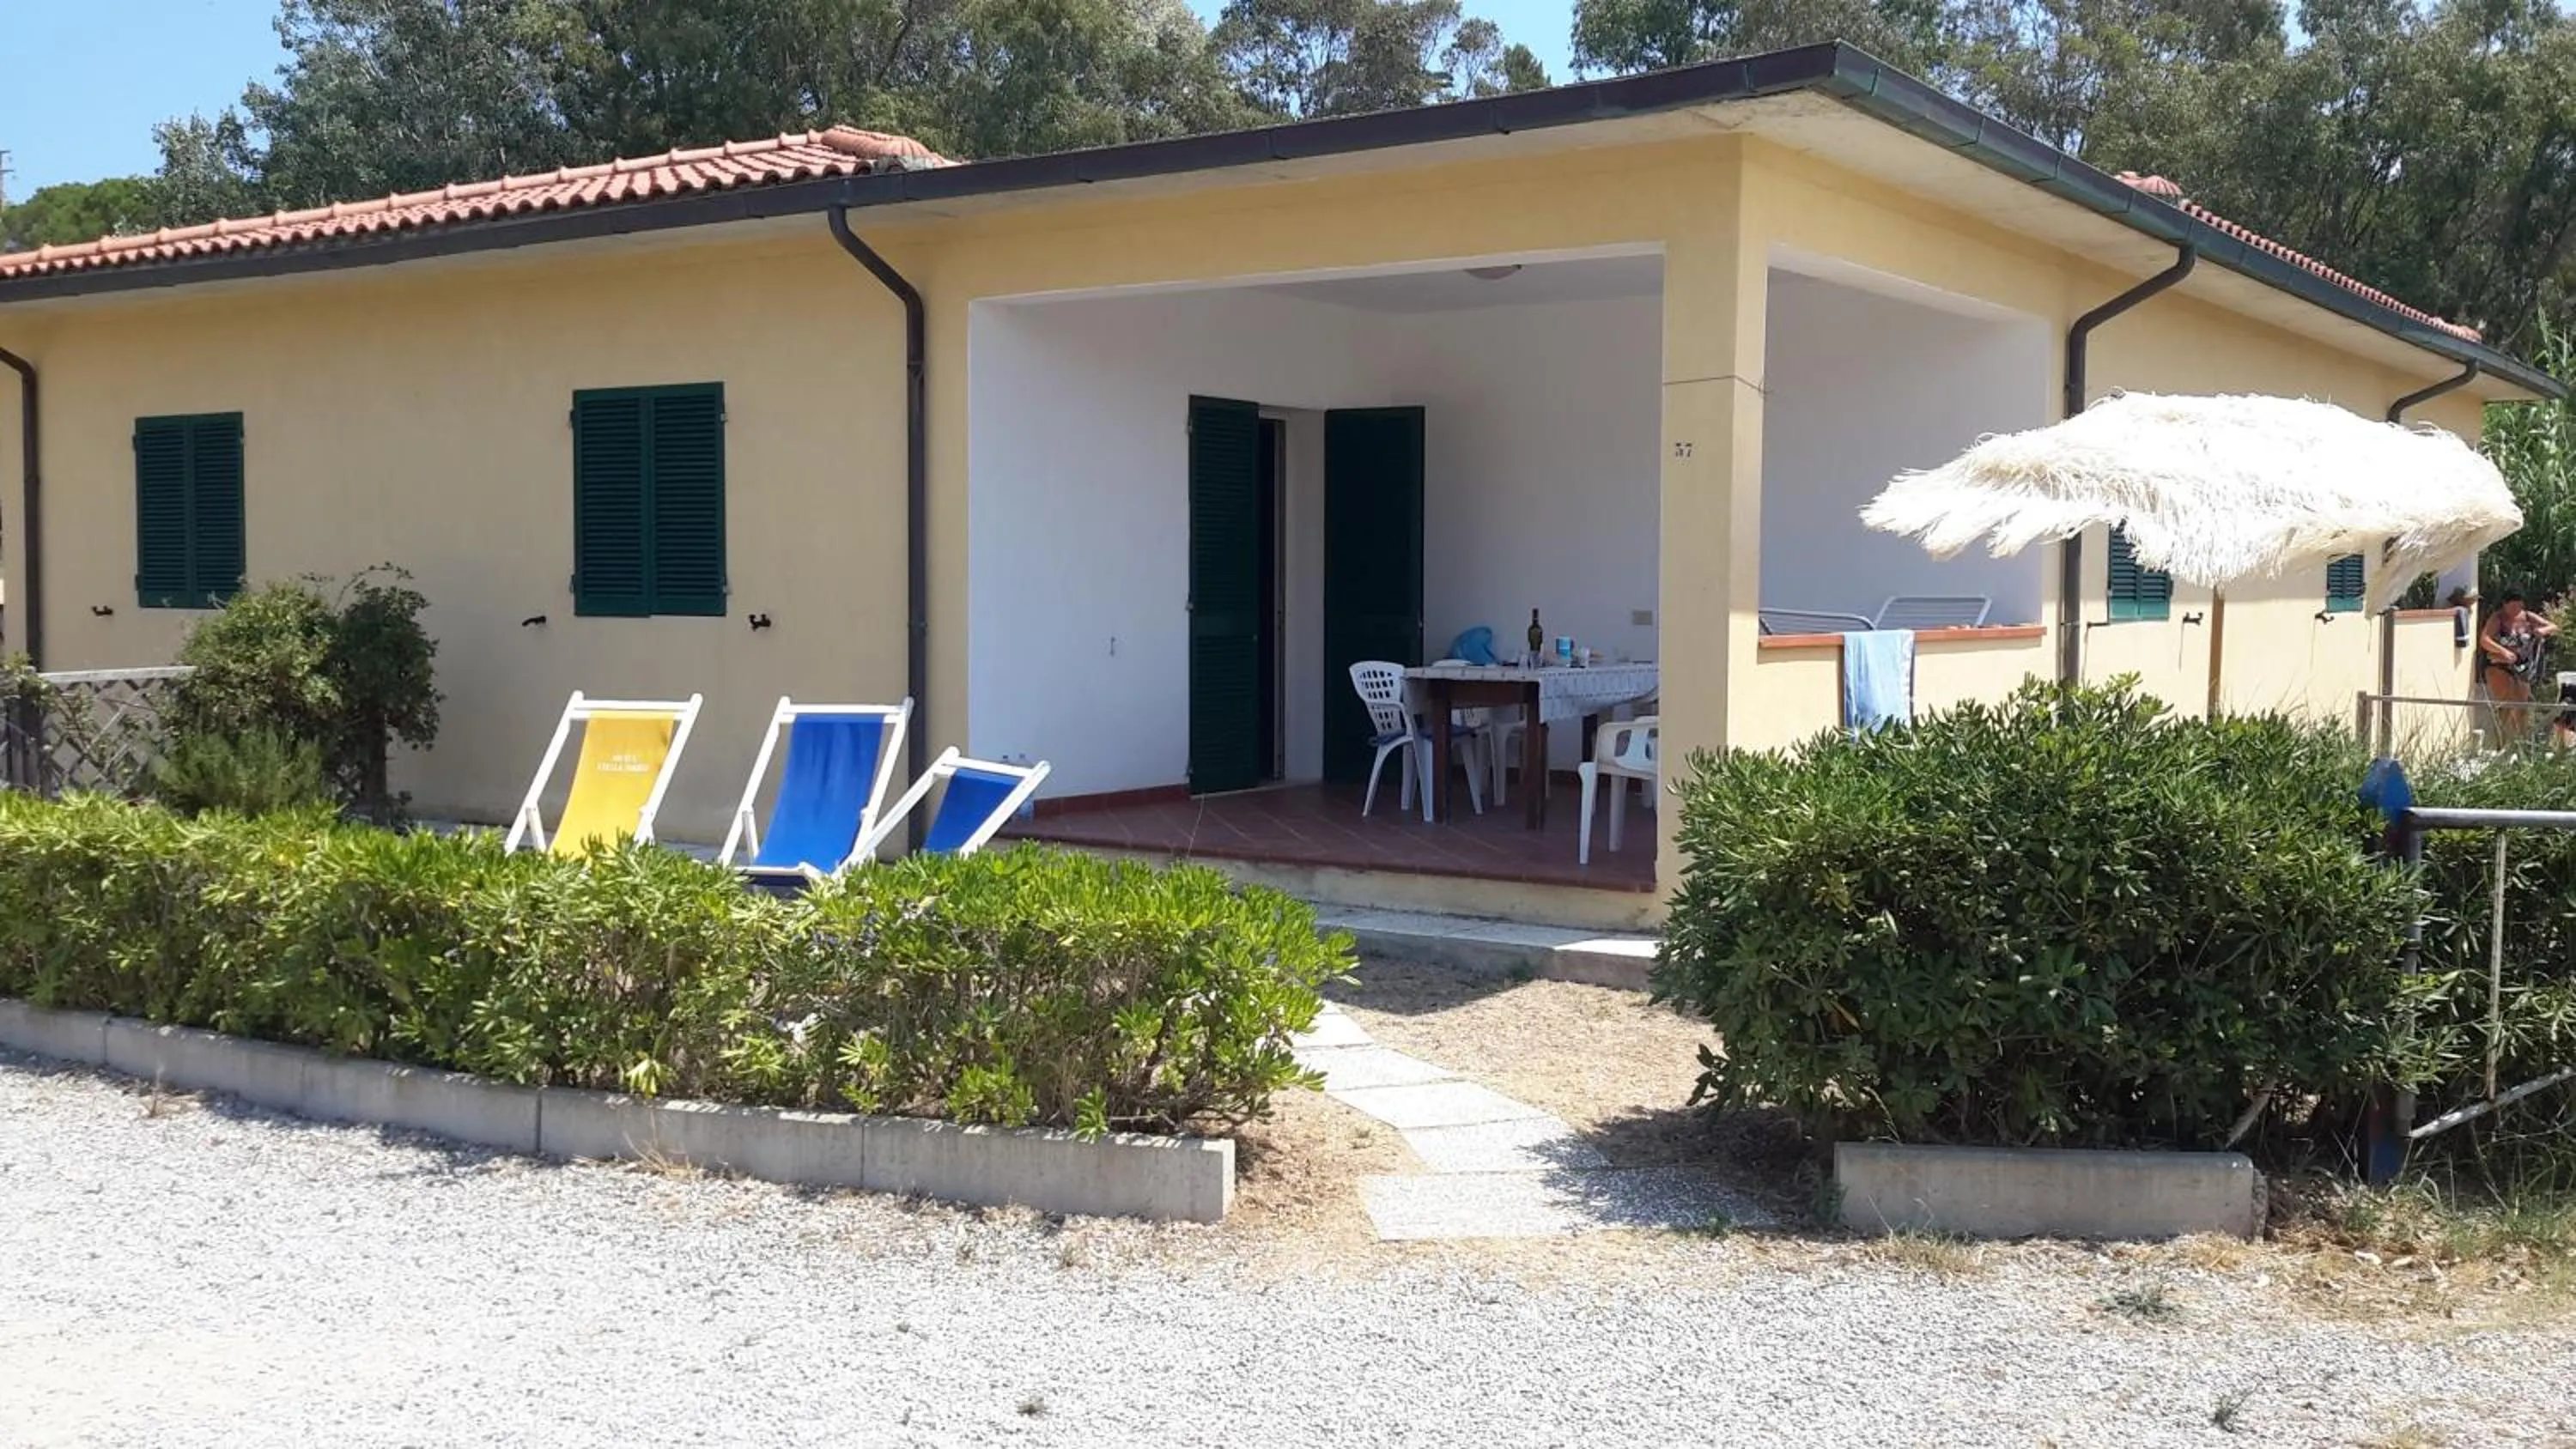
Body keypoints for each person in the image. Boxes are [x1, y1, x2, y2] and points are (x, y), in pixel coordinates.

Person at [2478, 591, 2557, 743]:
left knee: (2522, 706)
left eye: (2518, 606)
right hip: (2498, 664)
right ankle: (2501, 742)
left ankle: (2522, 743)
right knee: (2506, 703)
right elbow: (2485, 639)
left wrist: (2544, 630)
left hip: (2522, 666)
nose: (2515, 610)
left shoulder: (2528, 617)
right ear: (2504, 605)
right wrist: (2503, 651)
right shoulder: (2498, 618)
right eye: (2511, 606)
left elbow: (2554, 626)